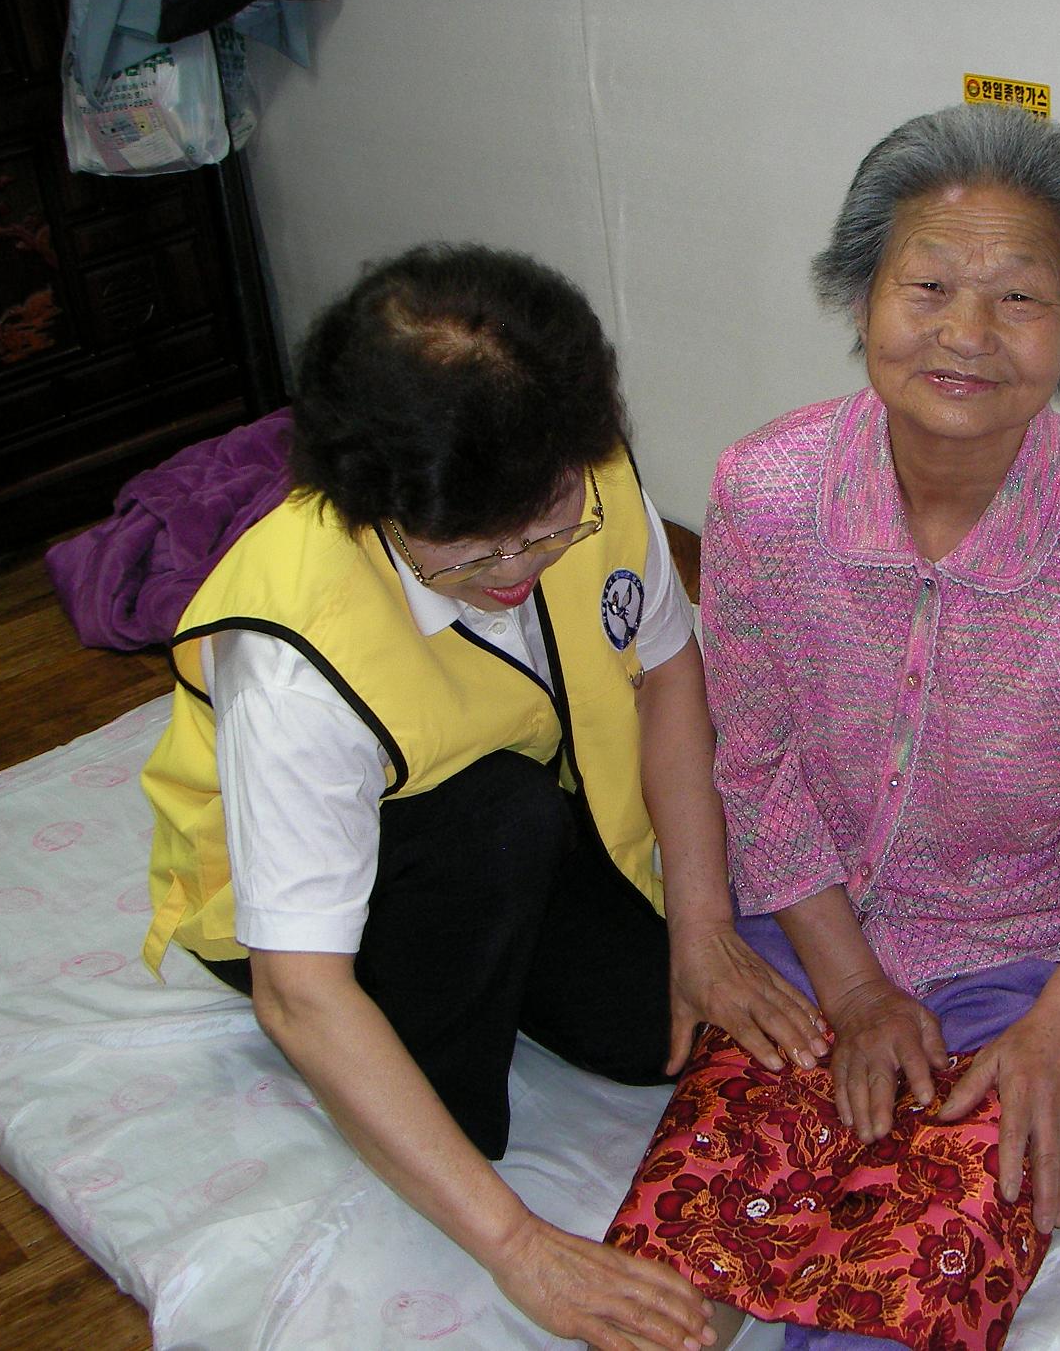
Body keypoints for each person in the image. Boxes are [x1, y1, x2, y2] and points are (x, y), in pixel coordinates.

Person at [137, 244, 826, 1351]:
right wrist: (521, 1248)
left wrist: (701, 927)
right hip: (317, 911)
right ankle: (438, 1087)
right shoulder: (295, 649)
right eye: (471, 551)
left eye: (545, 526)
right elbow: (299, 994)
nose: (520, 565)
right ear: (376, 507)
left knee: (665, 1031)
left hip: (533, 822)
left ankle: (515, 973)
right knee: (496, 819)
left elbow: (666, 672)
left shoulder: (579, 473)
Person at [697, 103, 1060, 1347]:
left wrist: (1059, 1032)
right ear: (859, 296)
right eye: (926, 283)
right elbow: (754, 768)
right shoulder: (761, 497)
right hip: (814, 925)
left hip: (1045, 960)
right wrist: (855, 983)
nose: (967, 335)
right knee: (707, 1250)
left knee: (904, 1282)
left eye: (1019, 299)